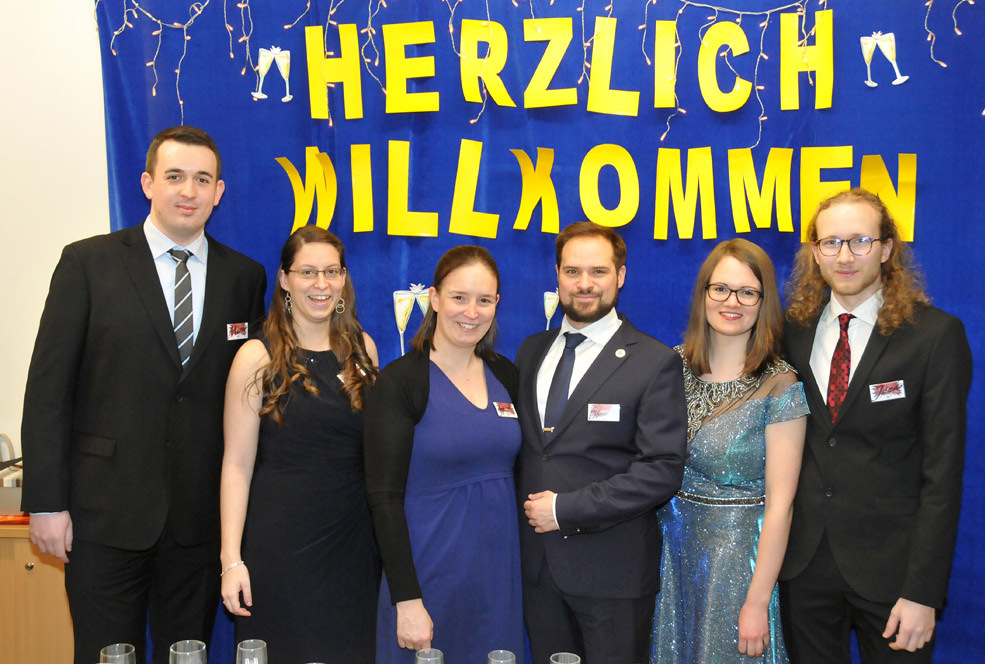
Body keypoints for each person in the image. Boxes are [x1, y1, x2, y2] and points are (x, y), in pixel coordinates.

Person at [20, 126, 267, 664]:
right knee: (106, 655)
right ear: (147, 183)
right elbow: (47, 390)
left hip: (198, 524)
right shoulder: (88, 263)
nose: (188, 191)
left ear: (219, 192)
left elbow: (245, 400)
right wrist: (46, 501)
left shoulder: (244, 277)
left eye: (202, 179)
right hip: (103, 516)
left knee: (188, 655)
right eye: (175, 176)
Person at [779, 188, 973, 663]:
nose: (844, 256)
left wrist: (923, 592)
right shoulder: (791, 331)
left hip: (895, 577)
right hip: (804, 569)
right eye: (831, 242)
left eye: (860, 241)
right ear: (815, 252)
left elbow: (943, 475)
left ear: (886, 248)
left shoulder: (935, 336)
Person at [515, 222, 688, 664]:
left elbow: (662, 470)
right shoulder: (531, 351)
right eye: (572, 271)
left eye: (598, 271)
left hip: (613, 575)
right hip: (538, 573)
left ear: (621, 276)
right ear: (557, 275)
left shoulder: (654, 362)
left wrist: (565, 509)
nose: (584, 284)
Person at [219, 226, 380, 663]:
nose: (321, 284)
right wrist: (231, 559)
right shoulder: (257, 357)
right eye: (307, 272)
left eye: (332, 271)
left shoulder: (363, 350)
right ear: (284, 279)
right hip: (281, 549)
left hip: (354, 547)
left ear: (344, 278)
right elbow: (236, 464)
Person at [650, 239, 808, 663]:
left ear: (763, 301)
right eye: (720, 288)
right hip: (665, 558)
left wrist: (757, 601)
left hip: (736, 566)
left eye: (747, 292)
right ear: (703, 293)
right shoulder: (668, 367)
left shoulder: (780, 385)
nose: (731, 302)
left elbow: (780, 505)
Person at [364, 246, 523, 663]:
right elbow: (383, 498)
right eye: (459, 297)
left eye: (484, 300)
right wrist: (407, 599)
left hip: (497, 582)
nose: (471, 312)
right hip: (426, 581)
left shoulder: (506, 374)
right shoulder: (401, 382)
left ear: (496, 304)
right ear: (434, 298)